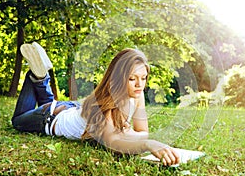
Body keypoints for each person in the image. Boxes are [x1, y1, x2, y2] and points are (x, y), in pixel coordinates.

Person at [12, 42, 180, 166]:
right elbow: (112, 141)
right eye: (132, 78)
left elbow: (142, 132)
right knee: (18, 120)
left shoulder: (136, 94)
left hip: (72, 108)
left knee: (48, 102)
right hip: (51, 117)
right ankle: (37, 77)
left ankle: (41, 77)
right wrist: (145, 143)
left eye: (143, 78)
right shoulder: (105, 105)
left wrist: (136, 136)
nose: (139, 84)